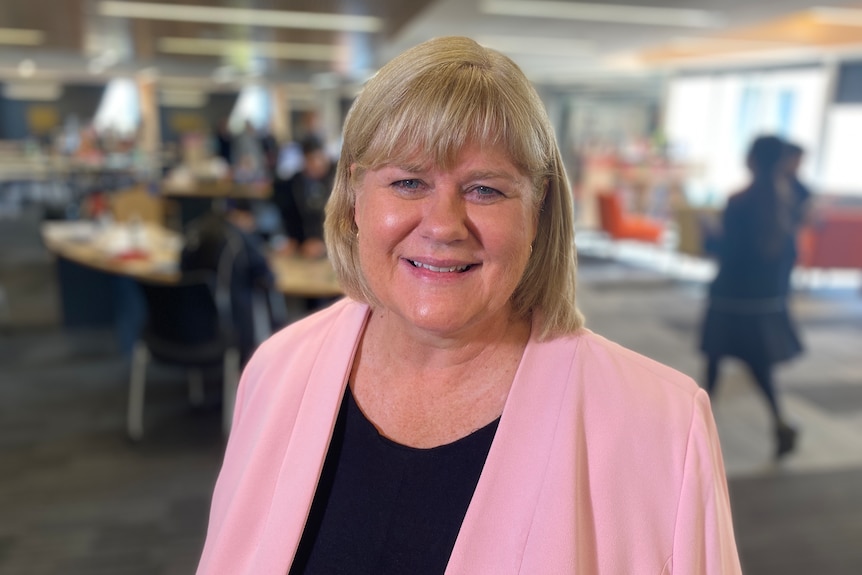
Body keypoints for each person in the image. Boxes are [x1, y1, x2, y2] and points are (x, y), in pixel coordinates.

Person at [197, 37, 741, 574]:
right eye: (408, 181)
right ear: (355, 197)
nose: (442, 226)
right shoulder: (276, 370)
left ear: (538, 209)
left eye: (485, 190)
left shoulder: (662, 427)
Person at [700, 135, 804, 458]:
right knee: (759, 367)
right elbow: (788, 255)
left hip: (730, 297)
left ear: (754, 160)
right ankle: (779, 424)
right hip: (764, 300)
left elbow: (727, 252)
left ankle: (696, 429)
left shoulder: (740, 201)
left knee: (715, 362)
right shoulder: (788, 200)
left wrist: (708, 234)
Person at [180, 199, 275, 365]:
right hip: (231, 328)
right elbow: (268, 278)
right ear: (244, 216)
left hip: (184, 325)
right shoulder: (241, 241)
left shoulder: (198, 229)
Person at [272, 135, 335, 259]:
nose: (316, 164)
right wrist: (297, 241)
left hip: (333, 249)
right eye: (311, 159)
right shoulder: (295, 184)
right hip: (304, 249)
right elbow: (291, 217)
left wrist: (325, 243)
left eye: (319, 158)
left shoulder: (337, 179)